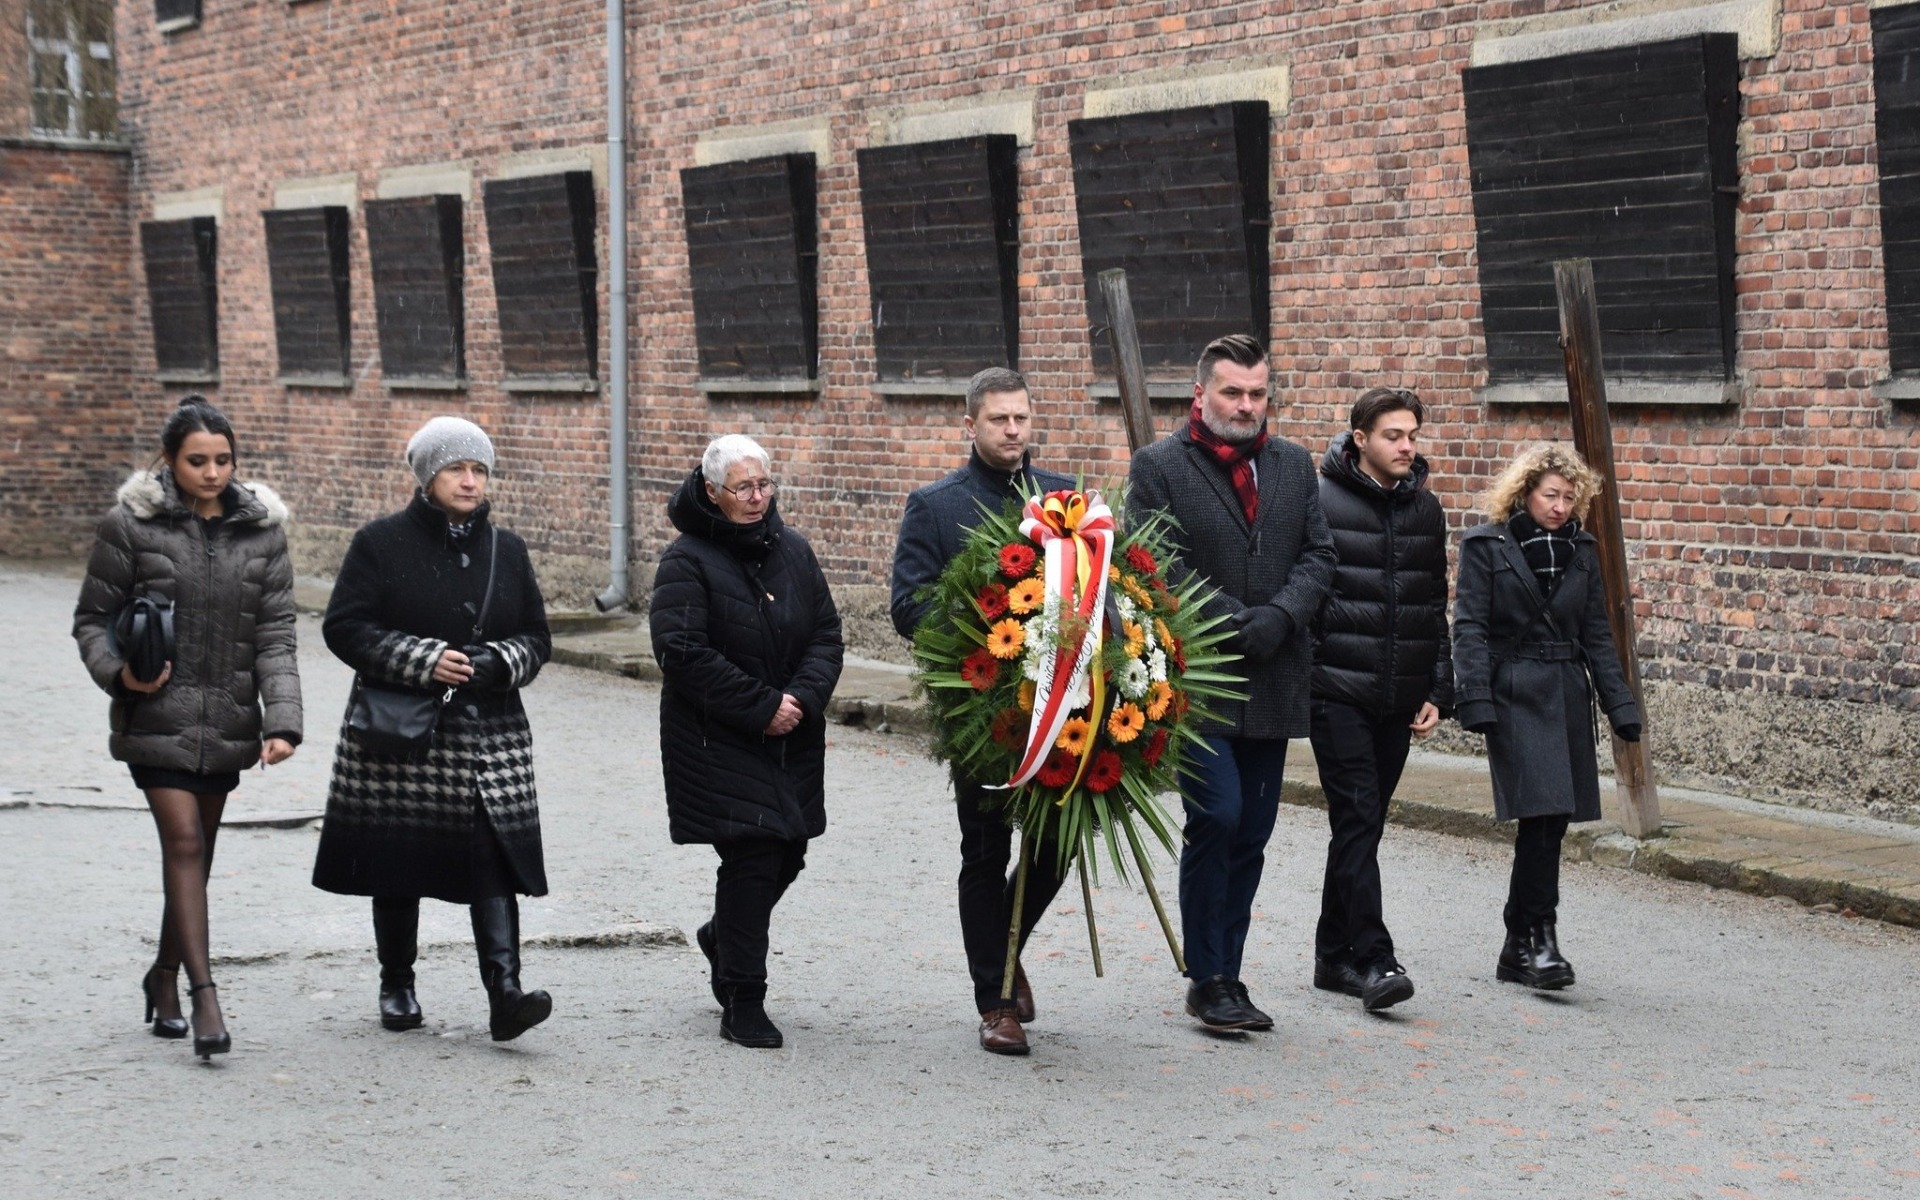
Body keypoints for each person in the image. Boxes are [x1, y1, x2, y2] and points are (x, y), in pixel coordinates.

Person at [73, 395, 303, 1061]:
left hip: (229, 720)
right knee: (183, 844)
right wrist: (121, 675)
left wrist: (282, 721)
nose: (212, 472)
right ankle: (206, 994)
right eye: (197, 461)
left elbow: (277, 635)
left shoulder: (263, 533)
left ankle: (163, 976)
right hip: (156, 716)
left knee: (198, 853)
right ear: (170, 463)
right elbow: (92, 619)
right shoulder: (131, 526)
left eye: (223, 460)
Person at [312, 417, 555, 1041]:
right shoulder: (380, 543)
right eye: (456, 469)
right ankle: (397, 982)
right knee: (398, 857)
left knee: (492, 859)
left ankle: (505, 993)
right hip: (404, 731)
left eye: (479, 470)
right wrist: (423, 660)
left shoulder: (509, 549)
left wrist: (500, 661)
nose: (471, 481)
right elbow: (345, 627)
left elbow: (537, 638)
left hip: (489, 734)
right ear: (428, 477)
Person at [1126, 333, 1335, 1032]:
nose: (1247, 406)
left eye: (1257, 394)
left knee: (1252, 831)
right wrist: (1232, 620)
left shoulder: (1294, 465)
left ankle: (1230, 974)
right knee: (1216, 815)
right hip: (1199, 680)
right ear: (1201, 394)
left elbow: (1318, 555)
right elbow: (1156, 563)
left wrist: (1279, 617)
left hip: (1273, 677)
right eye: (1232, 393)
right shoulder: (1158, 466)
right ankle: (1205, 976)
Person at [890, 367, 1074, 1056]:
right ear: (971, 426)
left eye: (1022, 417)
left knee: (1059, 845)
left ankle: (1005, 946)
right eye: (999, 420)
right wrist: (983, 613)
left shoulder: (1061, 497)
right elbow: (906, 607)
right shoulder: (935, 506)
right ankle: (995, 1003)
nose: (1013, 430)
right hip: (983, 714)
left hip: (1064, 708)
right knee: (986, 849)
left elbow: (1097, 583)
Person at [651, 434, 844, 1049]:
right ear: (713, 491)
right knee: (755, 856)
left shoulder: (794, 551)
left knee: (789, 853)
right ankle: (744, 997)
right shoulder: (686, 560)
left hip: (790, 732)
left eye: (764, 485)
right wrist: (761, 707)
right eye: (743, 487)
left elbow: (826, 635)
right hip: (719, 737)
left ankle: (721, 935)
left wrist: (800, 700)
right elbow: (680, 652)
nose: (758, 497)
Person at [1452, 443, 1641, 991]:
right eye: (1549, 495)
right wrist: (1476, 698)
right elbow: (1469, 627)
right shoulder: (1487, 546)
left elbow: (1596, 635)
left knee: (1551, 820)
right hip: (1514, 691)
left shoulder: (1582, 549)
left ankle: (1520, 942)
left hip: (1565, 691)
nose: (1559, 507)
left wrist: (1619, 707)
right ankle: (1542, 936)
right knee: (1542, 814)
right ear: (1525, 493)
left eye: (1568, 497)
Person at [1308, 387, 1452, 1013]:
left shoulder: (1427, 510)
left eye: (1412, 435)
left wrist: (1436, 689)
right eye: (1394, 435)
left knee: (1360, 825)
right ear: (1360, 438)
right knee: (1360, 814)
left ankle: (1331, 954)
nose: (1406, 446)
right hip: (1337, 691)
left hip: (1399, 696)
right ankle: (1373, 959)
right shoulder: (1319, 501)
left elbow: (1433, 604)